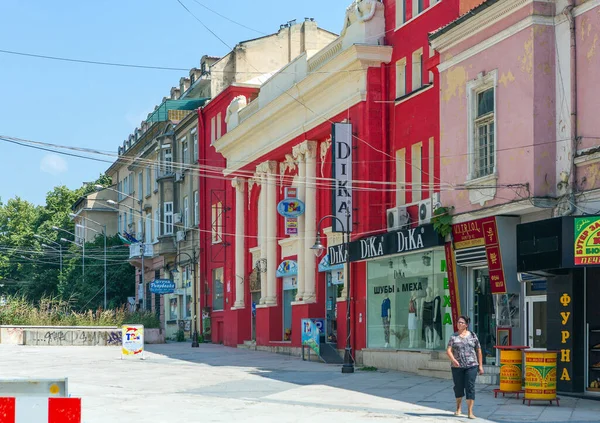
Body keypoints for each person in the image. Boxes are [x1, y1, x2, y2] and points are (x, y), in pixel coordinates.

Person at [446, 316, 484, 419]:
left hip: (471, 366)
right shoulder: (453, 336)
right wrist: (453, 360)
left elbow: (479, 350)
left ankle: (470, 412)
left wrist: (480, 366)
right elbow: (448, 350)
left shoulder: (473, 336)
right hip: (457, 367)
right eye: (458, 322)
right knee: (458, 387)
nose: (459, 324)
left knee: (470, 387)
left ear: (466, 325)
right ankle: (458, 408)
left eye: (462, 322)